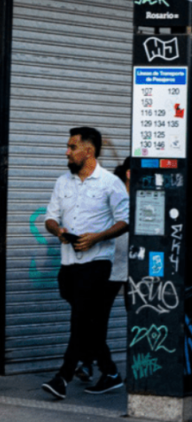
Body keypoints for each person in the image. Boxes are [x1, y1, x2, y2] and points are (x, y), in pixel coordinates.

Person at [42, 127, 129, 400]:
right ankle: (110, 370)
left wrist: (97, 238)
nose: (66, 152)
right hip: (69, 263)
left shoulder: (110, 183)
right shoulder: (62, 182)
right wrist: (59, 231)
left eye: (71, 147)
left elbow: (125, 220)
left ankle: (63, 377)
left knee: (80, 317)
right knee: (87, 319)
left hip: (97, 261)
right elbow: (50, 217)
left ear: (88, 151)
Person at [75, 157, 131, 383]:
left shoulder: (145, 196)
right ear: (129, 173)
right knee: (96, 319)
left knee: (139, 319)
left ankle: (136, 365)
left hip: (134, 267)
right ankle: (90, 363)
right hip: (108, 265)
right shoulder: (114, 193)